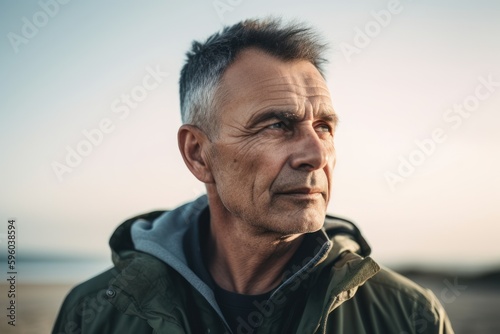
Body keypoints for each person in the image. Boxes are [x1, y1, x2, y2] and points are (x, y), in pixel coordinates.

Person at [53, 18, 454, 334]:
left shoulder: (410, 316)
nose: (316, 155)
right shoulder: (93, 315)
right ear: (198, 154)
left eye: (325, 127)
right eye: (277, 125)